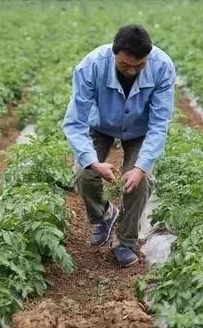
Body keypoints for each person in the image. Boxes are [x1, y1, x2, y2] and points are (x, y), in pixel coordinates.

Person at [62, 24, 175, 267]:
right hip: (100, 124)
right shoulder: (91, 66)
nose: (132, 71)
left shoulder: (162, 66)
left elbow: (159, 124)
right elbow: (74, 122)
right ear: (114, 54)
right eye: (125, 65)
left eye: (139, 66)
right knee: (83, 174)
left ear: (148, 56)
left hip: (139, 128)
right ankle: (105, 215)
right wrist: (93, 162)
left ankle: (126, 241)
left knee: (139, 181)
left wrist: (141, 167)